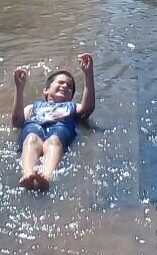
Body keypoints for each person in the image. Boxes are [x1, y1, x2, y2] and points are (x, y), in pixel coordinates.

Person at [12, 53, 96, 190]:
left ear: (71, 97)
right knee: (31, 139)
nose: (65, 86)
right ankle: (27, 174)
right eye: (60, 82)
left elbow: (88, 108)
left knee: (54, 141)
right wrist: (19, 89)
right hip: (33, 130)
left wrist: (88, 75)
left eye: (69, 87)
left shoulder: (72, 107)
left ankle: (47, 176)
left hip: (58, 132)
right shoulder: (32, 107)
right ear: (46, 90)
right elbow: (17, 121)